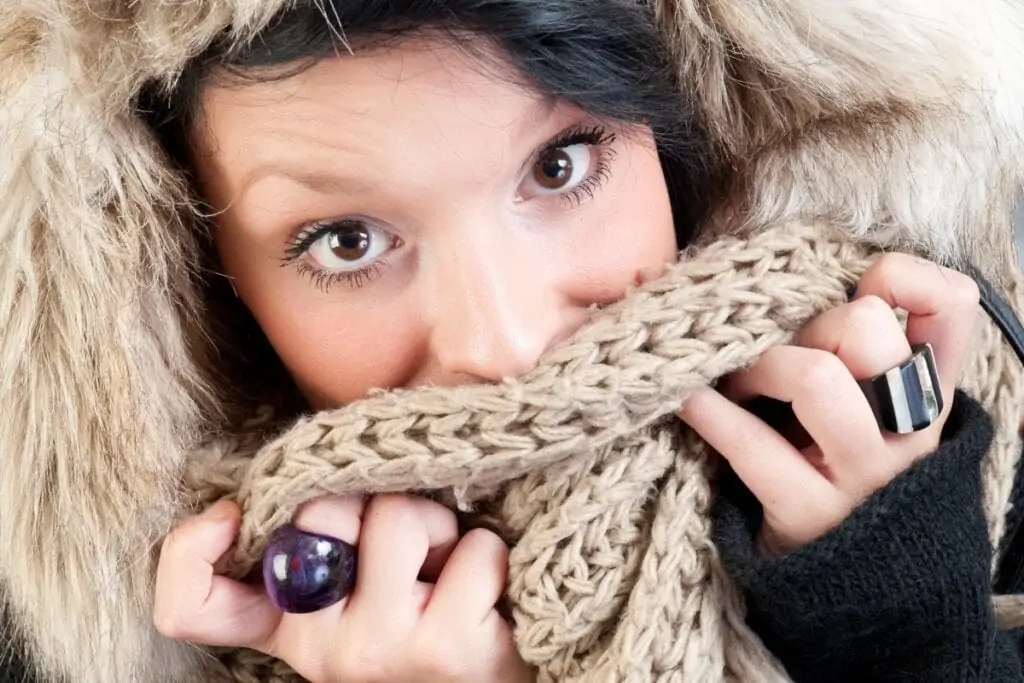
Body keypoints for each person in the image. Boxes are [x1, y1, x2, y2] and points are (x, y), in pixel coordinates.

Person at [1, 1, 1023, 682]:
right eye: (348, 240)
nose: (509, 340)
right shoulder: (78, 628)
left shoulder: (938, 409)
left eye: (561, 165)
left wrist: (907, 624)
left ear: (676, 138)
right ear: (197, 287)